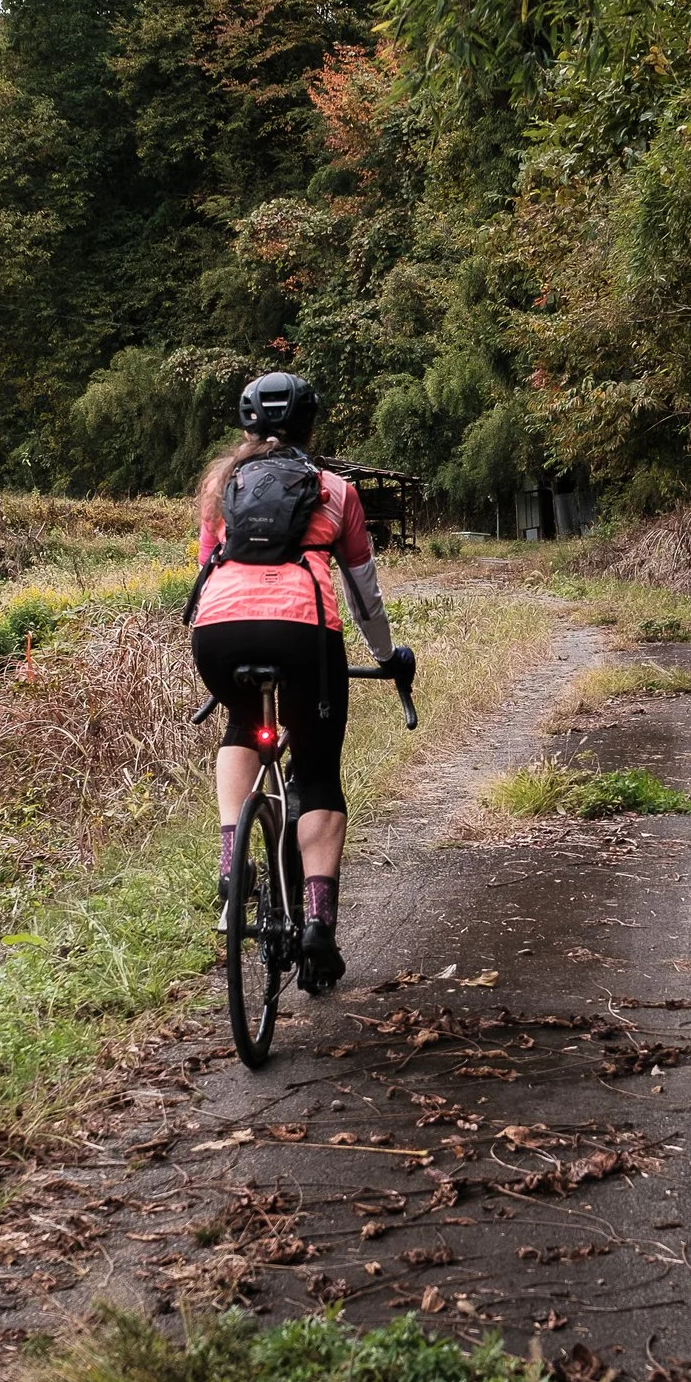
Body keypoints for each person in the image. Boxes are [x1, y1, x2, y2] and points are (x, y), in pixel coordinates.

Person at [187, 371, 397, 992]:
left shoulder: (220, 487)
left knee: (238, 727)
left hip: (219, 633)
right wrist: (385, 657)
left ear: (246, 425)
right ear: (311, 424)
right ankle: (318, 929)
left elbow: (207, 573)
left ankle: (233, 860)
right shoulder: (335, 491)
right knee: (317, 775)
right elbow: (364, 595)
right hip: (305, 636)